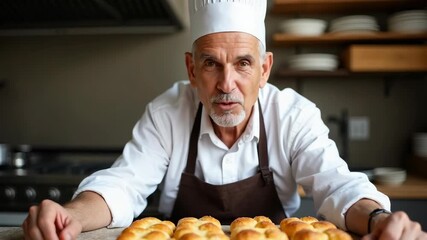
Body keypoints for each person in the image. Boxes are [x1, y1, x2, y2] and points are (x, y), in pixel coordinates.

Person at [23, 0, 426, 239]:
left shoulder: (293, 116)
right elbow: (123, 186)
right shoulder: (168, 113)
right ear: (191, 69)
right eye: (211, 64)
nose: (226, 84)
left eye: (244, 63)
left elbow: (337, 186)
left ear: (266, 69)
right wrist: (71, 216)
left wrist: (378, 218)